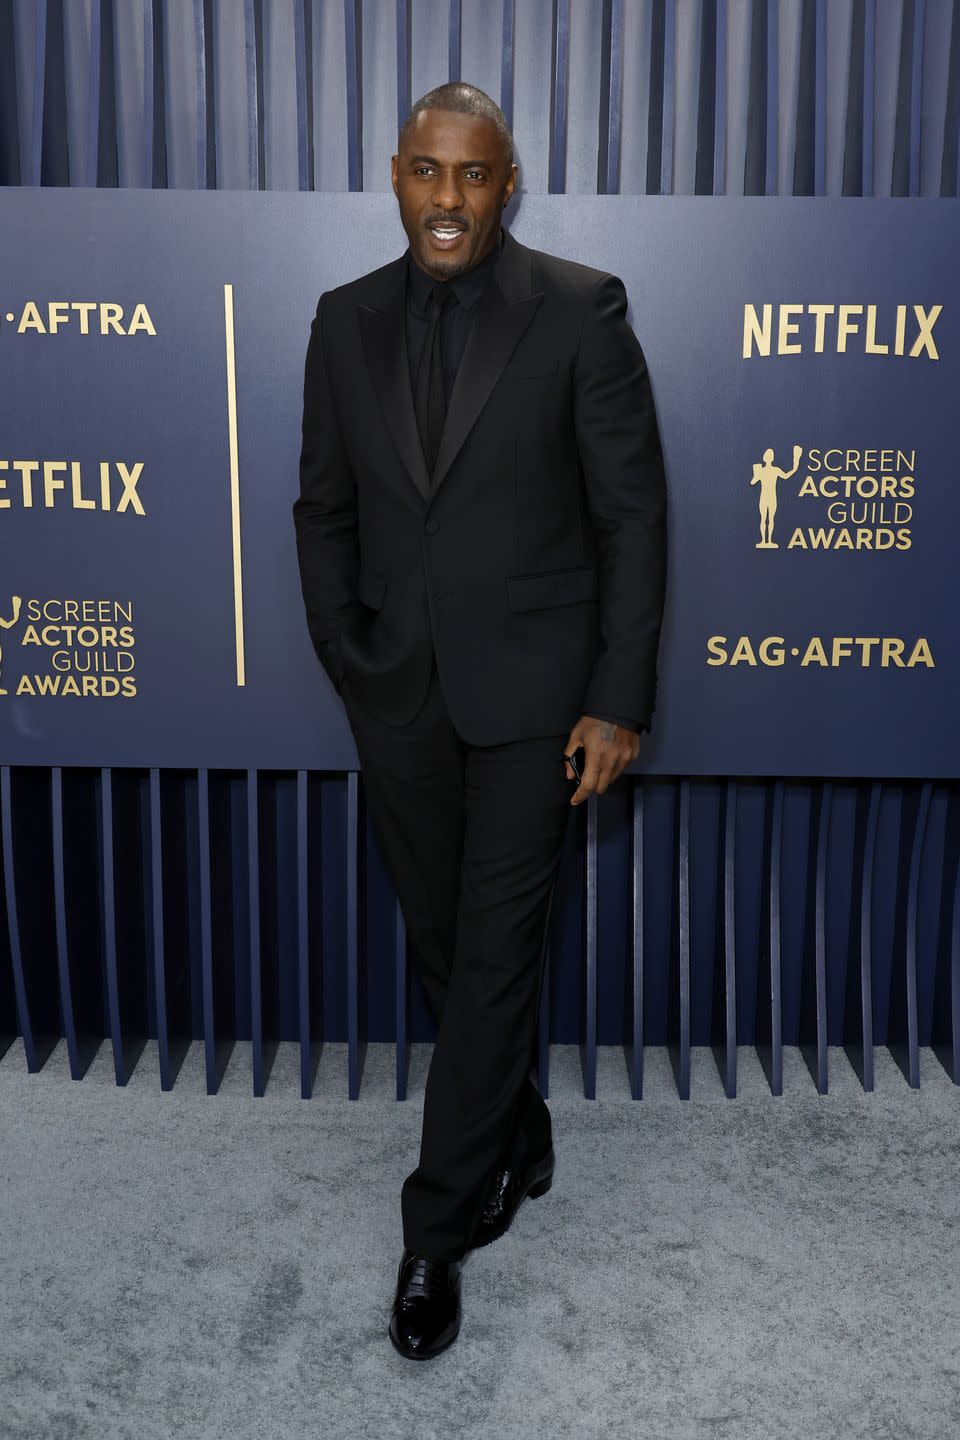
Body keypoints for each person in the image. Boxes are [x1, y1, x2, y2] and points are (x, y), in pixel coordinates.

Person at [293, 81, 667, 1361]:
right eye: (426, 173)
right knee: (449, 943)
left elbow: (632, 516)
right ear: (394, 175)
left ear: (508, 184)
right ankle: (522, 1131)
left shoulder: (581, 311)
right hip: (398, 694)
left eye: (474, 176)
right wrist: (349, 653)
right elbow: (322, 511)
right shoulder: (342, 324)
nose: (447, 201)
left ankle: (434, 1234)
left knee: (498, 952)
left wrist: (617, 696)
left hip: (537, 706)